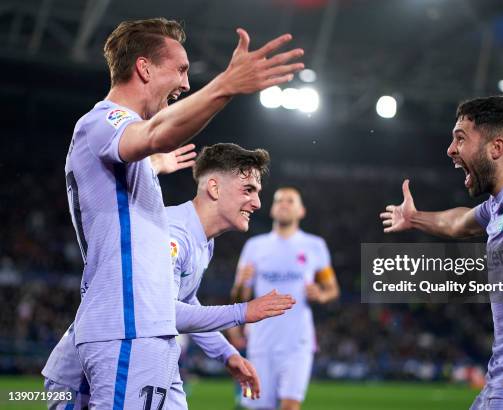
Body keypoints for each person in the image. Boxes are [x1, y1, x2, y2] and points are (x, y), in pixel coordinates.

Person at [63, 17, 303, 409]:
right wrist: (225, 85)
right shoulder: (105, 120)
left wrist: (153, 166)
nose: (186, 83)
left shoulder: (121, 146)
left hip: (134, 332)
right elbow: (157, 134)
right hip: (128, 329)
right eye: (181, 69)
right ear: (144, 68)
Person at [44, 143, 295, 409]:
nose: (257, 203)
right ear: (214, 188)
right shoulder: (172, 233)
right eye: (248, 190)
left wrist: (227, 354)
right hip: (94, 370)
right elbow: (158, 310)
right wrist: (242, 312)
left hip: (148, 356)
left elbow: (185, 301)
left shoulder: (203, 241)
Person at [380, 96, 503, 410]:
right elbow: (459, 223)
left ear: (496, 148)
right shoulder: (499, 204)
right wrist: (414, 218)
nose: (450, 149)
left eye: (460, 138)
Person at [231, 187, 340, 410]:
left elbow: (332, 290)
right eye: (279, 200)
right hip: (261, 342)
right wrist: (242, 283)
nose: (283, 204)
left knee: (290, 406)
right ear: (271, 209)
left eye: (290, 201)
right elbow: (239, 297)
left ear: (301, 211)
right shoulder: (255, 246)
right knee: (258, 407)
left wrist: (320, 294)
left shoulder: (314, 246)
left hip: (297, 343)